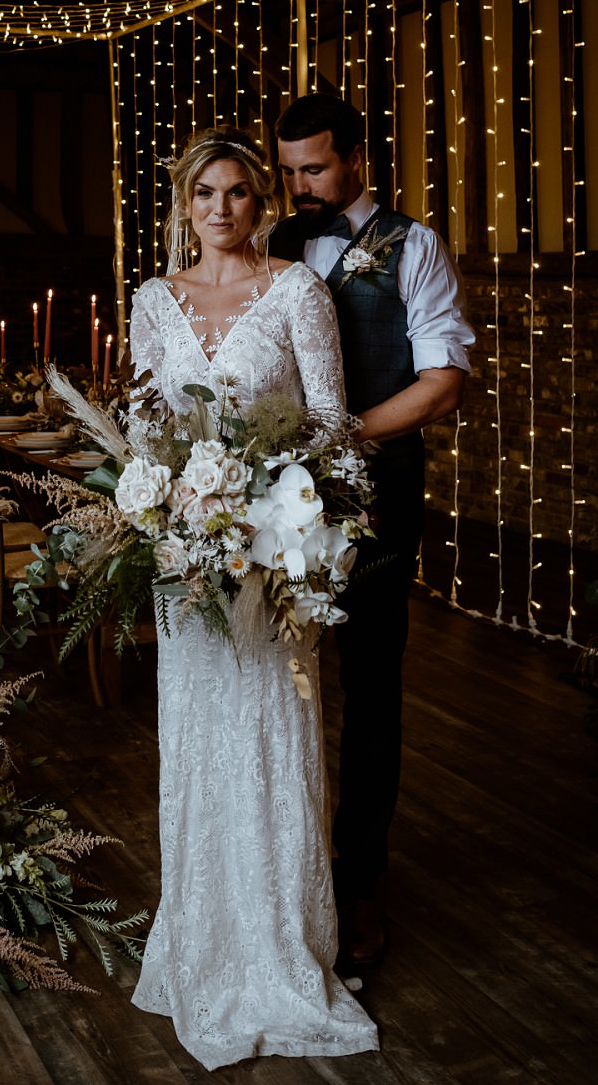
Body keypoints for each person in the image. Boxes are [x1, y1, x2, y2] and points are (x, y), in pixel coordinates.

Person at [129, 125, 379, 1068]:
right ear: (184, 204)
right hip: (189, 568)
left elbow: (330, 427)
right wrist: (173, 515)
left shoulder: (298, 292)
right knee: (198, 742)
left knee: (271, 740)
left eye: (236, 191)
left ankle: (280, 947)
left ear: (258, 202)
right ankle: (202, 940)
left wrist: (277, 517)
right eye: (205, 193)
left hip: (273, 562)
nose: (221, 208)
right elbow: (143, 430)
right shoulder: (155, 300)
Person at [271, 92, 474, 970]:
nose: (300, 187)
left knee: (369, 688)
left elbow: (443, 383)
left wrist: (339, 437)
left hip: (376, 499)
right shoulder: (274, 244)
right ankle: (279, 874)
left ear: (356, 158)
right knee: (270, 679)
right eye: (289, 172)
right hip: (265, 503)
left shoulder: (412, 247)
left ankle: (358, 885)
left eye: (315, 169)